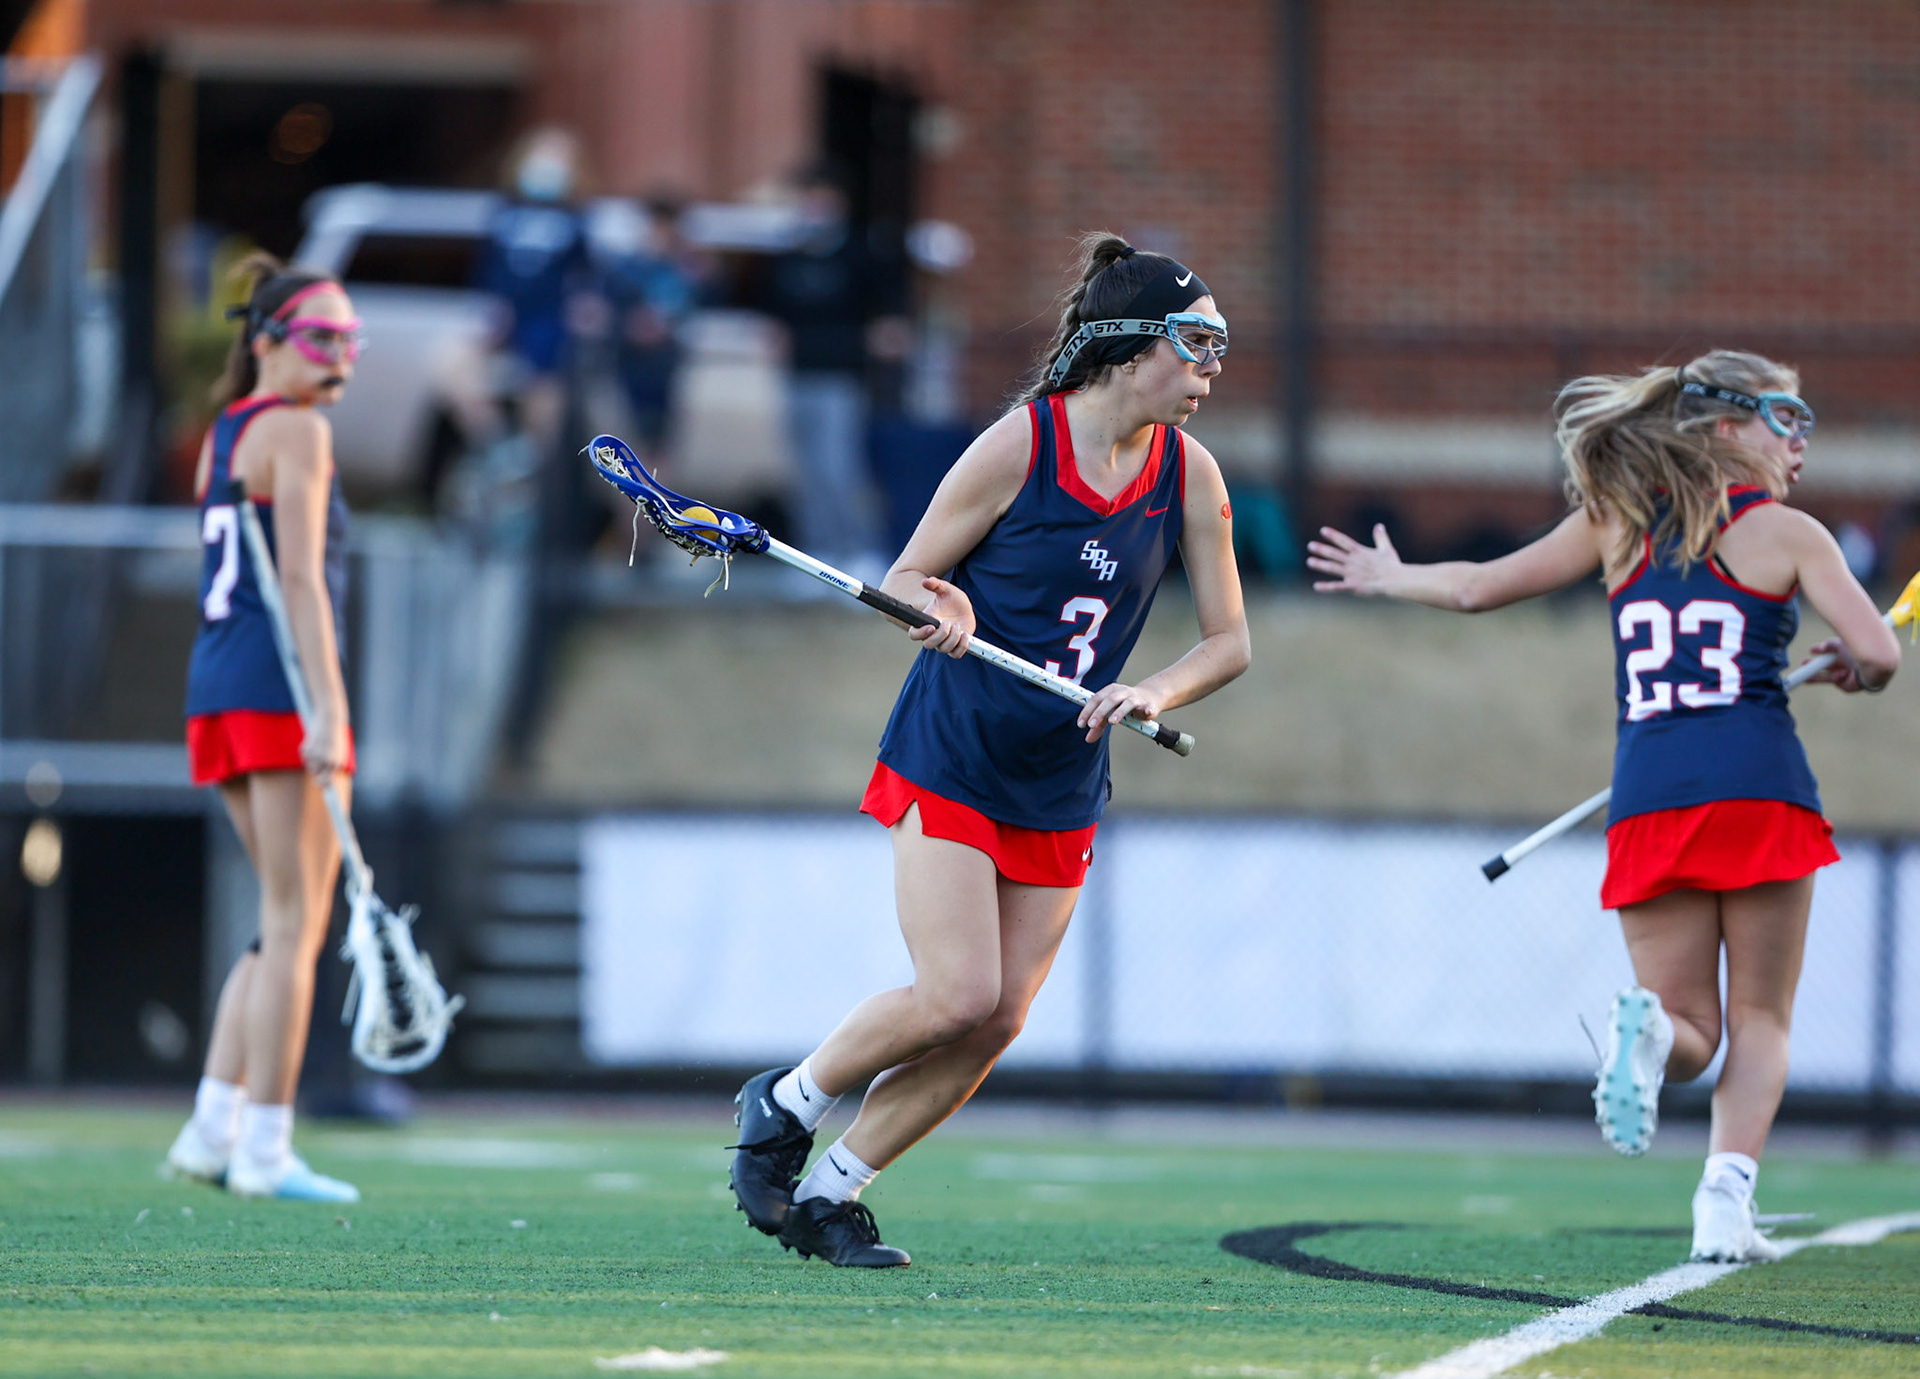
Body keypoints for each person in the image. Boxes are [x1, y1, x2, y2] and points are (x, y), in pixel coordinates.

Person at [1306, 350, 1900, 1263]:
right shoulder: (1790, 533)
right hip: (1760, 788)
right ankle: (1723, 1201)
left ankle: (1652, 1032)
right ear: (1728, 426)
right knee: (1762, 1022)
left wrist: (1394, 577)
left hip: (1649, 795)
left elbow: (1474, 588)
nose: (1800, 439)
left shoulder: (1618, 521)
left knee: (1691, 1027)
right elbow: (1883, 654)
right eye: (1785, 417)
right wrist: (1851, 670)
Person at [729, 234, 1250, 1267]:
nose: (1209, 369)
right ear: (1127, 346)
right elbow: (911, 573)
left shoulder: (1190, 474)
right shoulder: (1022, 444)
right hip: (955, 747)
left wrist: (1154, 686)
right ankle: (785, 1099)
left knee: (998, 1019)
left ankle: (834, 1191)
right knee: (955, 992)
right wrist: (944, 600)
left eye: (1218, 348)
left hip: (1062, 771)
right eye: (1194, 344)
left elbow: (1230, 639)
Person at [163, 254, 364, 1203]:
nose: (343, 359)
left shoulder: (226, 430)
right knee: (295, 926)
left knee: (273, 919)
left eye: (351, 341)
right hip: (277, 688)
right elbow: (297, 586)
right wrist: (328, 709)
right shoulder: (295, 429)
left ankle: (211, 1130)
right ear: (271, 341)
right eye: (324, 338)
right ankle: (266, 1149)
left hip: (217, 683)